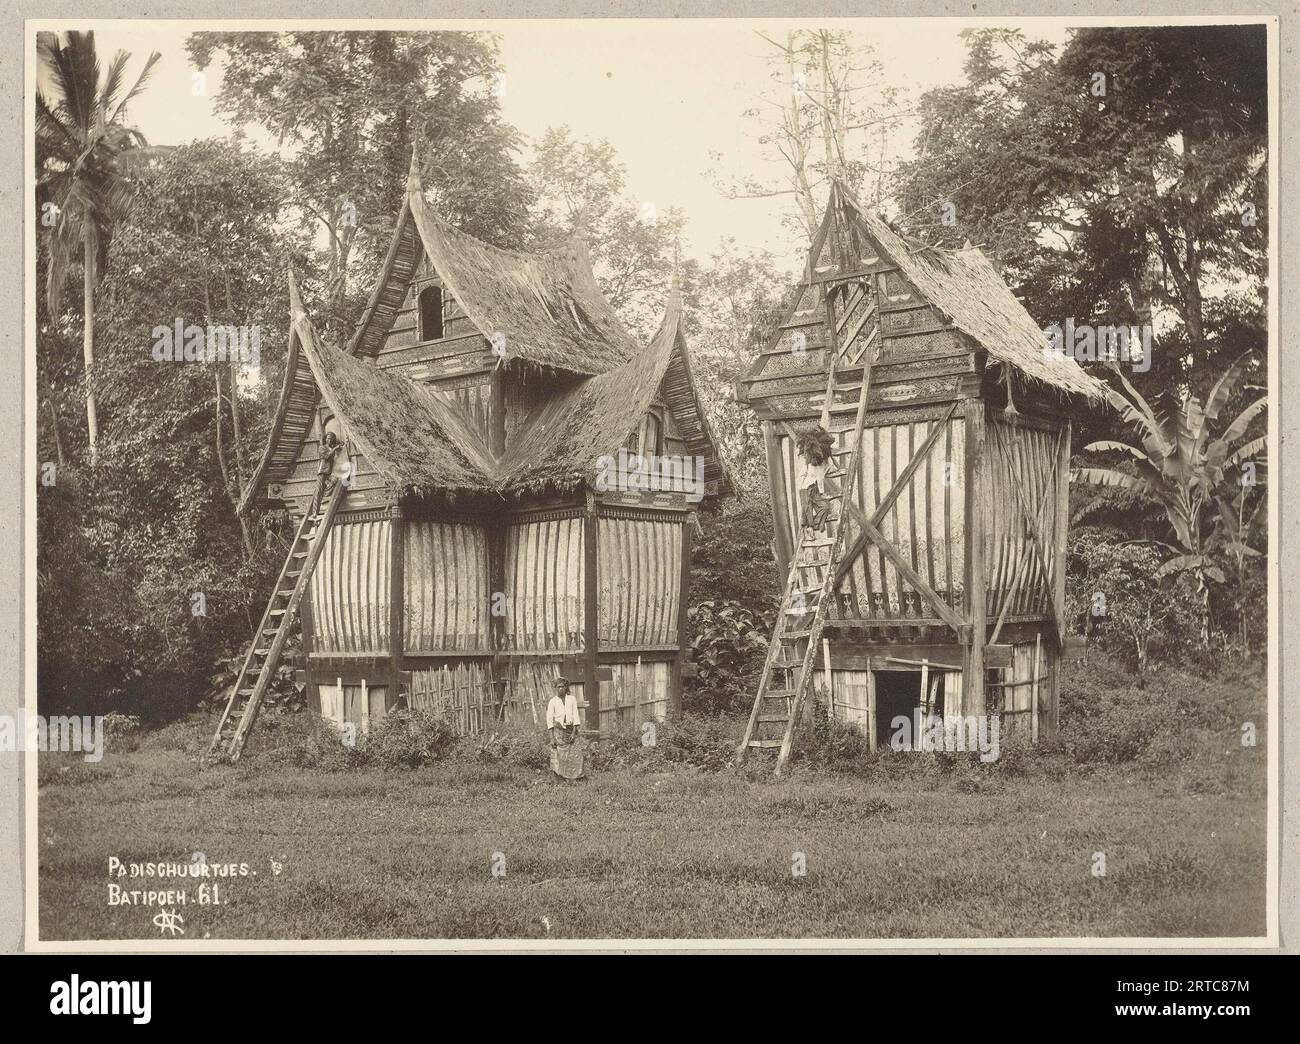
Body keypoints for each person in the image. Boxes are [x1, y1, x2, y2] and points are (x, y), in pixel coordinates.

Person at [795, 426, 837, 537]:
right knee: (807, 511)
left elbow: (834, 469)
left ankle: (815, 525)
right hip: (806, 489)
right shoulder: (808, 464)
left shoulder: (825, 464)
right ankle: (810, 528)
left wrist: (830, 458)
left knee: (825, 507)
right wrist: (802, 489)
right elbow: (801, 476)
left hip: (815, 490)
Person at [545, 676, 584, 779]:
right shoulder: (553, 702)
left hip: (571, 730)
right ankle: (561, 777)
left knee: (575, 754)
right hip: (559, 731)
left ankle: (575, 776)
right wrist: (552, 738)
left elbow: (575, 715)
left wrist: (573, 732)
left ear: (566, 688)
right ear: (555, 688)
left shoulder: (571, 699)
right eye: (558, 687)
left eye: (562, 687)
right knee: (560, 754)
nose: (560, 689)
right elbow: (549, 721)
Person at [312, 431, 343, 514]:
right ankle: (315, 512)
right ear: (325, 439)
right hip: (322, 472)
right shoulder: (322, 447)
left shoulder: (332, 448)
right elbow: (326, 456)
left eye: (331, 439)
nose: (330, 440)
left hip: (329, 473)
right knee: (318, 491)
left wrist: (339, 446)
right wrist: (335, 448)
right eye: (328, 438)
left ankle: (326, 493)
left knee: (336, 480)